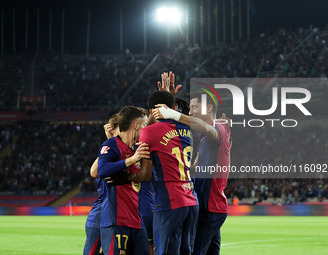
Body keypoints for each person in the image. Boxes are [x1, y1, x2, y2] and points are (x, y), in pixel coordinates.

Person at [152, 90, 232, 255]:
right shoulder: (206, 138)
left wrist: (174, 114)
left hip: (209, 206)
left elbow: (206, 128)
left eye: (195, 107)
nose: (190, 112)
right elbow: (194, 167)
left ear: (209, 108)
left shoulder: (218, 129)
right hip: (207, 205)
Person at [130, 91, 199, 255]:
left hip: (169, 201)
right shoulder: (189, 128)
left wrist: (126, 177)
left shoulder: (149, 131)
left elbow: (146, 175)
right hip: (191, 199)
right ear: (174, 108)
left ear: (151, 111)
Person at [97, 106, 150, 255]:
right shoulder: (111, 145)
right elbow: (102, 170)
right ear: (136, 126)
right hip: (116, 221)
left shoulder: (137, 148)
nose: (145, 129)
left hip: (137, 221)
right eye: (144, 125)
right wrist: (132, 160)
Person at [83, 114, 120, 255]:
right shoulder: (110, 153)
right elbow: (94, 171)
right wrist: (110, 142)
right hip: (101, 217)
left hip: (114, 215)